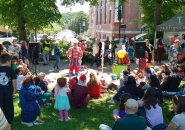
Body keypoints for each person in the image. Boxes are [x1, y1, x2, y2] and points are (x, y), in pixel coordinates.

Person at [0, 53, 17, 124]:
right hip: (8, 91)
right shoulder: (11, 70)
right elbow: (14, 82)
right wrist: (14, 90)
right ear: (7, 61)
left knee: (1, 105)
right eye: (10, 61)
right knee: (9, 105)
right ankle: (9, 120)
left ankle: (1, 119)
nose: (11, 63)